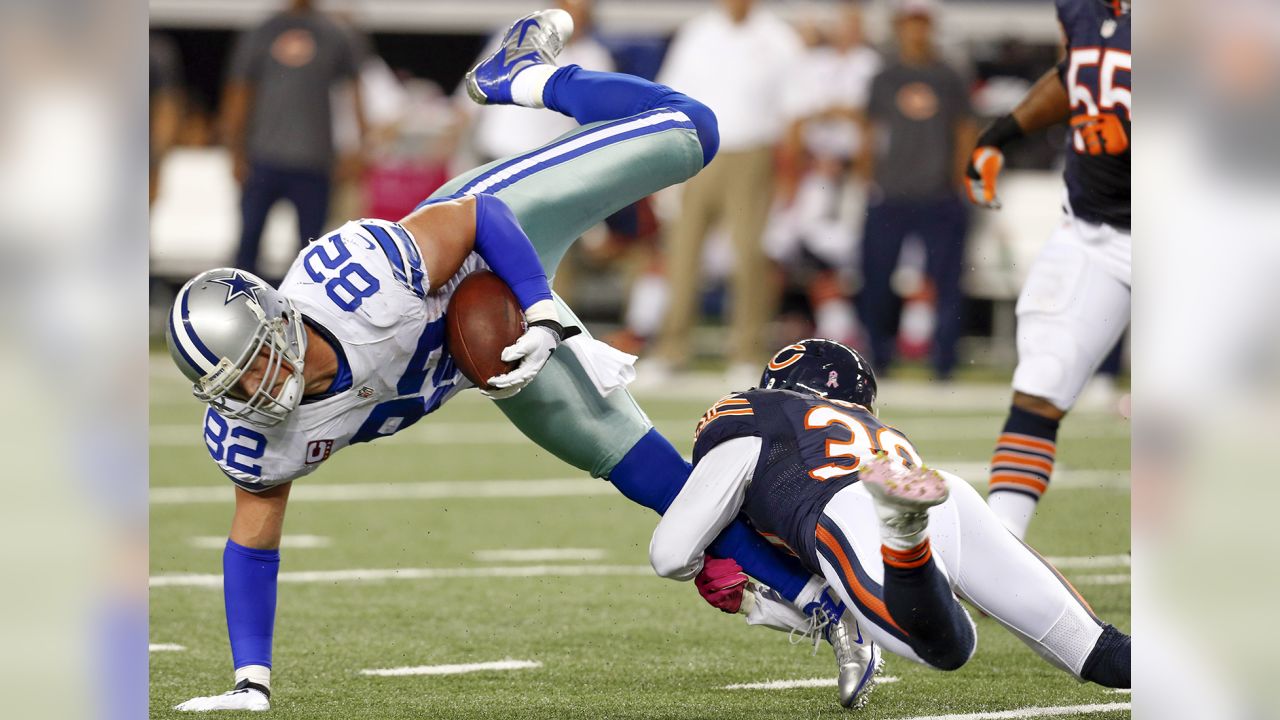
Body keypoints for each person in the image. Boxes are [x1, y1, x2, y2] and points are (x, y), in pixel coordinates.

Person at [167, 10, 840, 711]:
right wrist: (251, 683)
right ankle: (819, 603)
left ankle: (525, 76)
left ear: (277, 321)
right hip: (488, 354)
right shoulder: (253, 437)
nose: (254, 388)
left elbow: (481, 215)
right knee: (654, 478)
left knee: (690, 127)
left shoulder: (358, 279)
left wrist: (540, 303)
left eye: (252, 363)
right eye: (231, 384)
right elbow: (252, 548)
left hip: (495, 245)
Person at [648, 339, 1132, 709]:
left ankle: (907, 542)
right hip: (942, 493)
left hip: (853, 511)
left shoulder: (755, 417)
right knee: (1099, 651)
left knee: (949, 649)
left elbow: (671, 553)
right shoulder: (878, 432)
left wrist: (741, 589)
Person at [965, 0, 1130, 539]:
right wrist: (1001, 134)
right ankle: (1001, 553)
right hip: (1095, 232)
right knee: (1041, 379)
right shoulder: (1084, 9)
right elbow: (1078, 72)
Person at [648, 0, 803, 386]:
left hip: (753, 152)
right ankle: (671, 349)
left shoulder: (779, 37)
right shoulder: (698, 33)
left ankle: (747, 352)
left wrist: (790, 172)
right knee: (682, 252)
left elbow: (795, 110)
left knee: (749, 254)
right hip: (697, 150)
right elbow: (669, 96)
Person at [856, 0, 977, 379]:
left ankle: (944, 364)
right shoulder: (885, 75)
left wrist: (959, 182)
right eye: (909, 23)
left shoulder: (949, 75)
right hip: (891, 192)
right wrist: (868, 178)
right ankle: (878, 358)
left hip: (938, 193)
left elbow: (965, 131)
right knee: (876, 279)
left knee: (947, 283)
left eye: (921, 23)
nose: (915, 31)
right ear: (899, 26)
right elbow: (869, 130)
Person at [222, 0, 368, 281]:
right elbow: (239, 91)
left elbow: (354, 92)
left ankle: (305, 318)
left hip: (315, 160)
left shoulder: (336, 33)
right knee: (248, 243)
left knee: (312, 250)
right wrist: (235, 151)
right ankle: (239, 311)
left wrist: (360, 148)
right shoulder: (262, 31)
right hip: (263, 156)